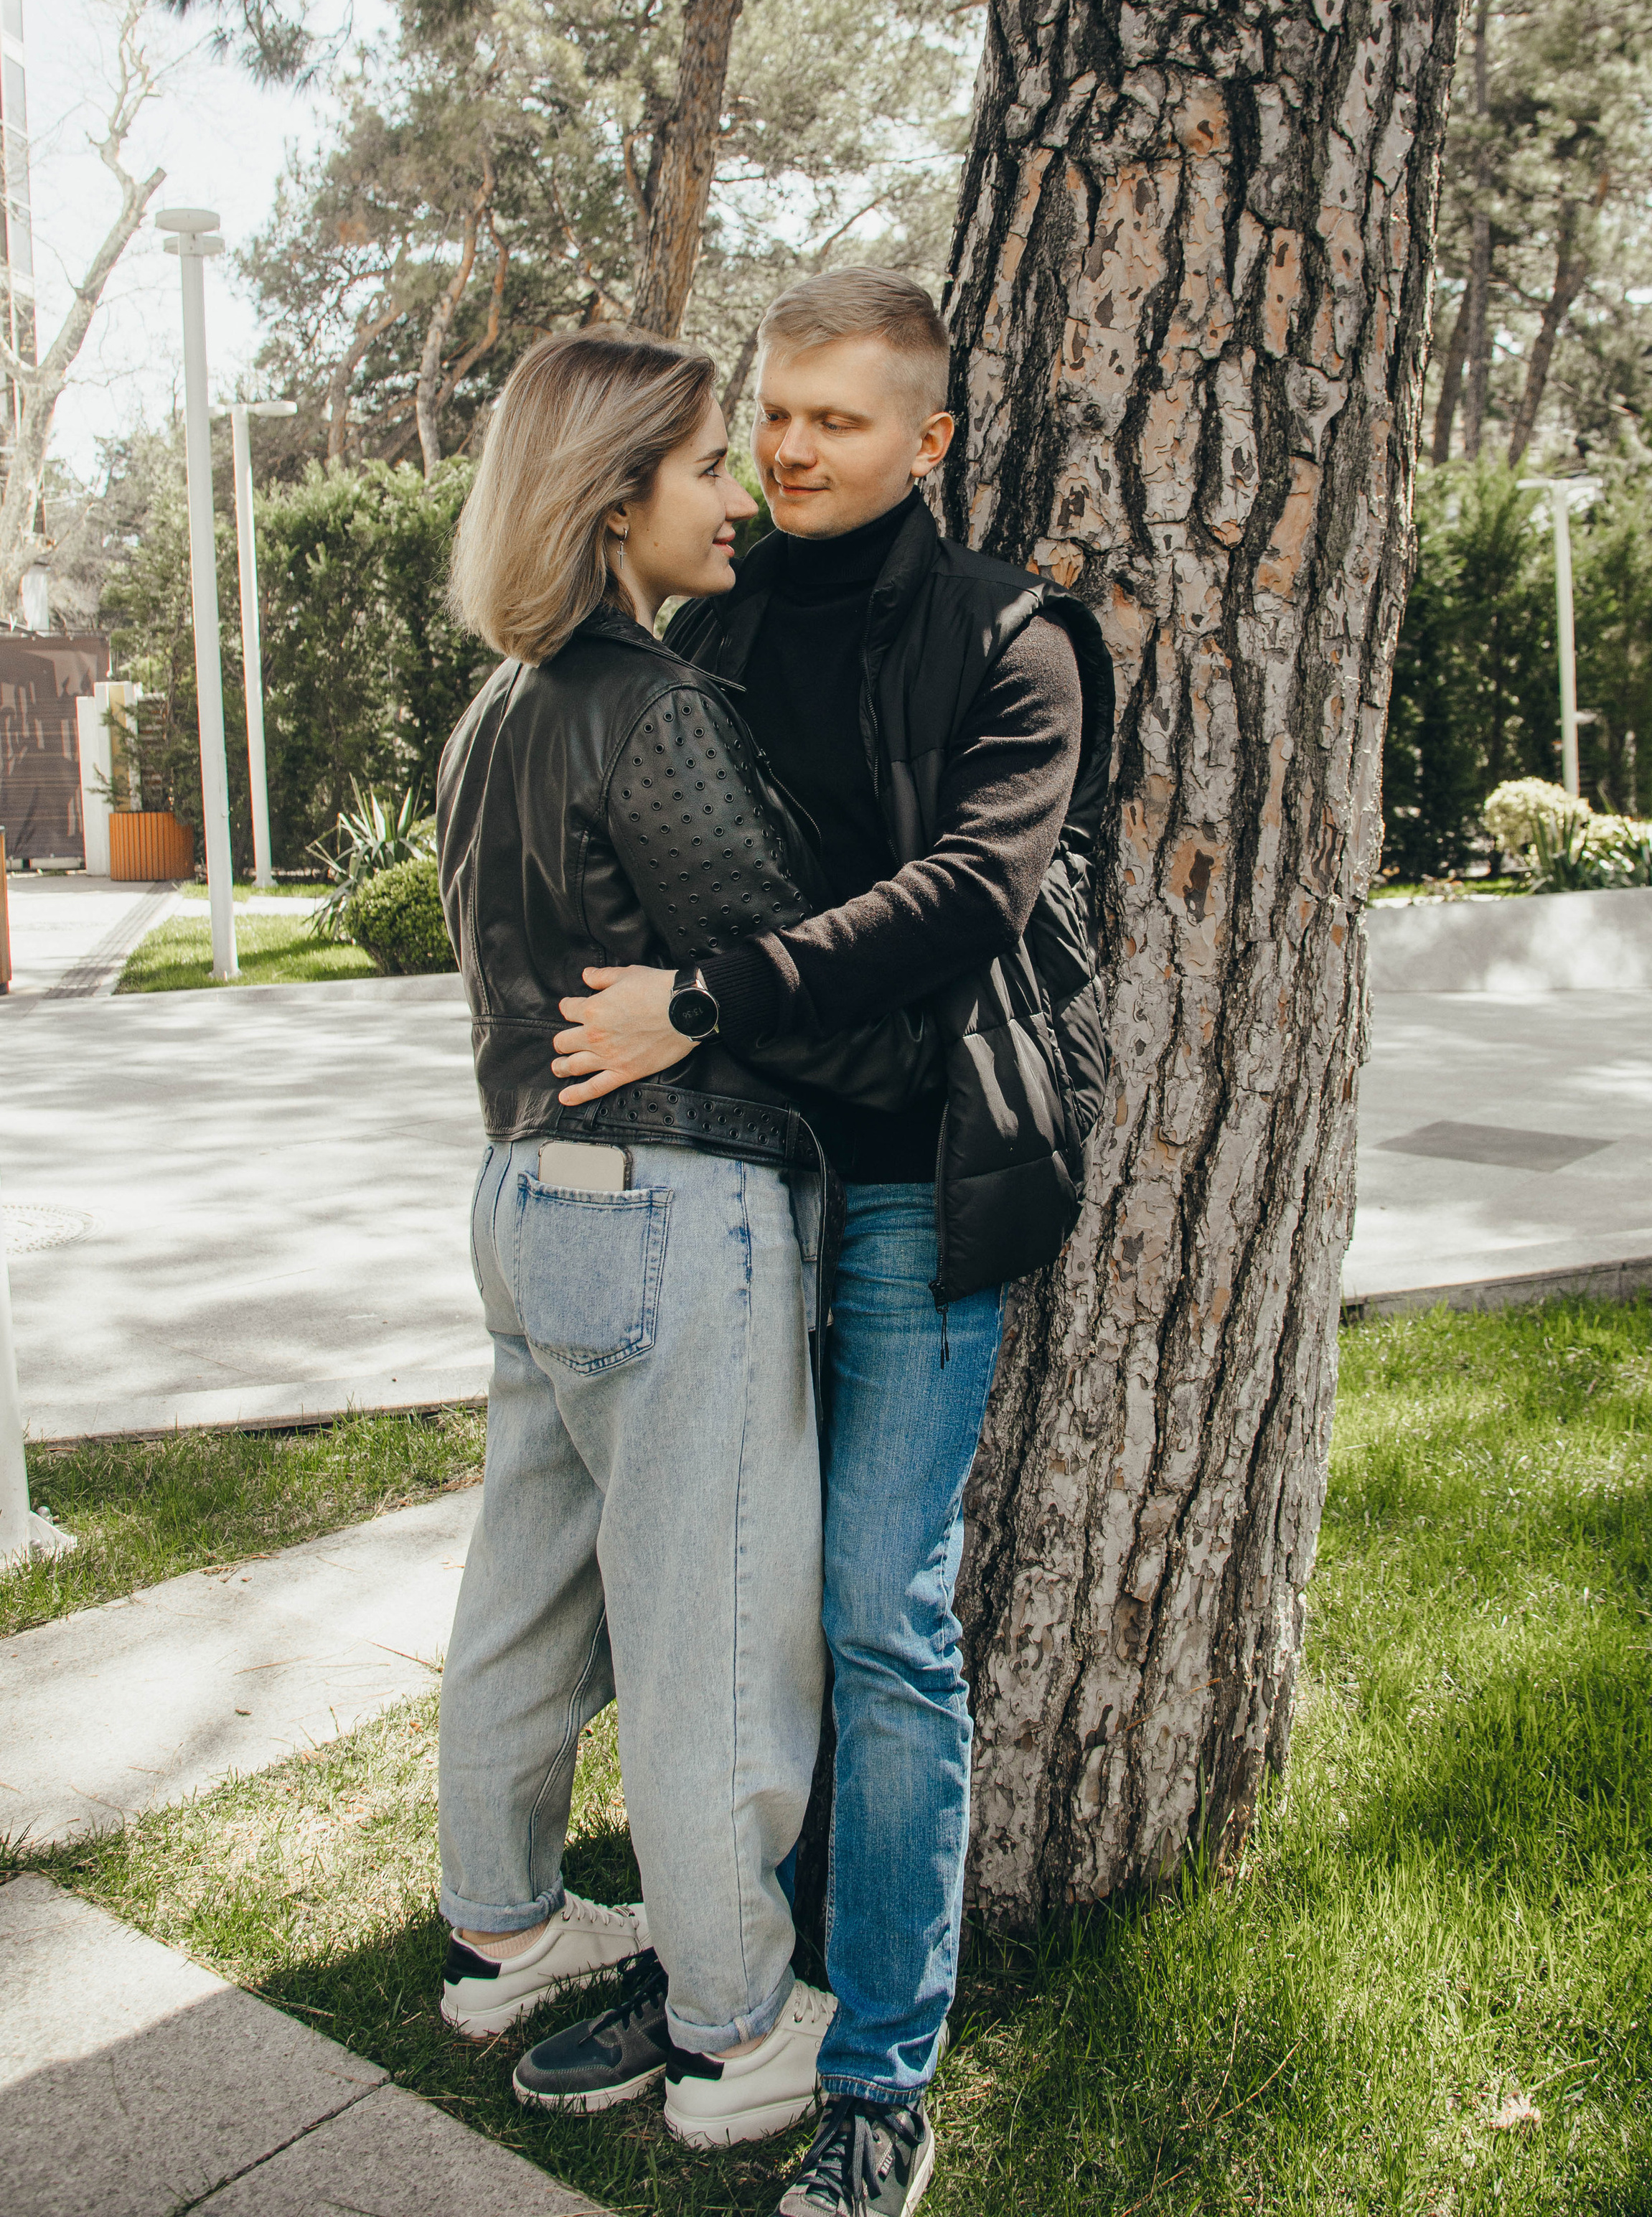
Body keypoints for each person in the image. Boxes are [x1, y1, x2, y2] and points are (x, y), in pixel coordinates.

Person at [536, 269, 1115, 2216]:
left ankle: (877, 2066)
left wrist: (702, 998)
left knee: (878, 1611)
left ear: (928, 439)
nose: (788, 451)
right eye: (772, 416)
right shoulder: (705, 626)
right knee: (718, 1601)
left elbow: (969, 892)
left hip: (915, 1181)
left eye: (836, 423)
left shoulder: (1018, 639)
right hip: (731, 1192)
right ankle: (721, 1968)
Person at [432, 324, 943, 2152]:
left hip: (521, 1197)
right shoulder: (650, 706)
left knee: (526, 1594)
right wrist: (931, 1054)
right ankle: (737, 2029)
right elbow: (765, 959)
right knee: (715, 1625)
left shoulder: (495, 711)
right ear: (614, 496)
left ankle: (497, 1931)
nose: (738, 496)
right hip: (669, 1205)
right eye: (710, 465)